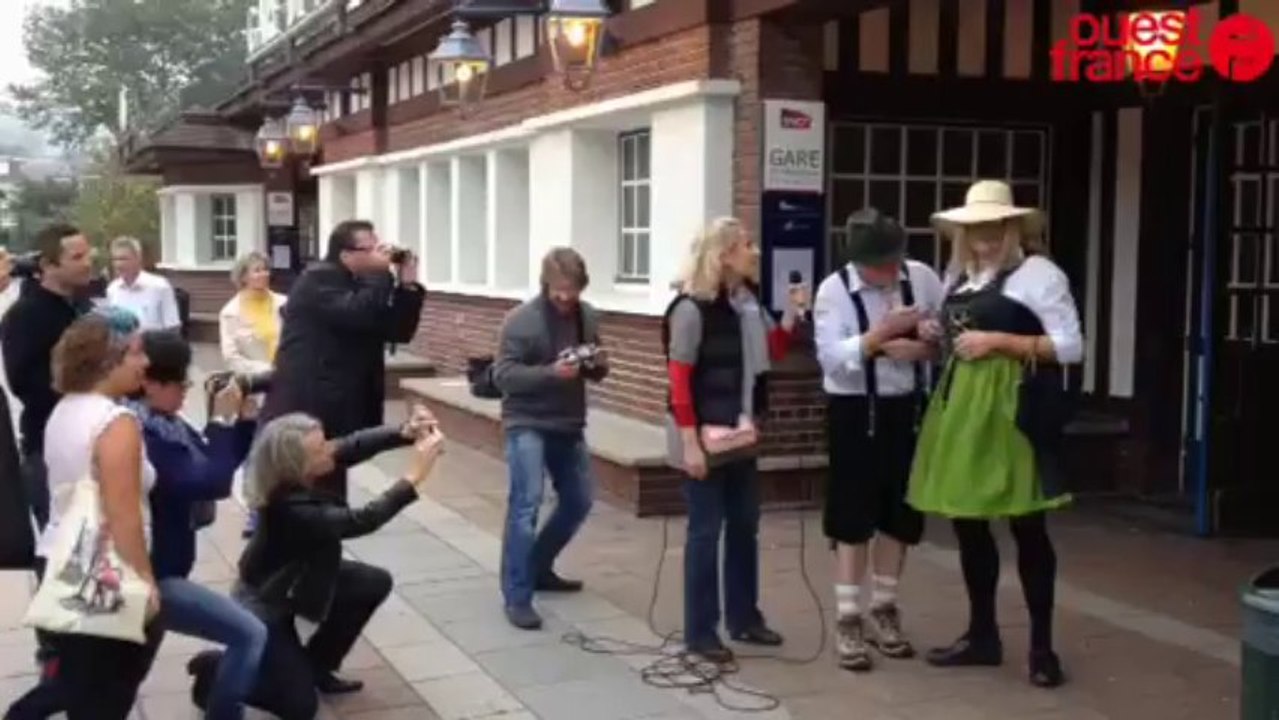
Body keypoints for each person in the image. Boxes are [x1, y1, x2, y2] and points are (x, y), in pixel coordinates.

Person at [908, 180, 1083, 688]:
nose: (981, 239)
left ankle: (1042, 647)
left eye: (990, 229)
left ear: (1010, 227)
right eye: (972, 230)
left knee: (1027, 524)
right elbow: (957, 337)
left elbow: (1071, 347)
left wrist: (999, 340)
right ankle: (982, 634)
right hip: (962, 404)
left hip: (1013, 405)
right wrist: (935, 335)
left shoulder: (1038, 273)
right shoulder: (959, 274)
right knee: (968, 521)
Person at [186, 410, 444, 719]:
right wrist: (413, 477)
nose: (330, 448)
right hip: (266, 601)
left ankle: (317, 667)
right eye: (320, 448)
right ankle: (216, 671)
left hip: (300, 580)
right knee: (300, 708)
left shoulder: (298, 471)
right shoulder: (288, 506)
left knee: (371, 582)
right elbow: (362, 520)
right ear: (297, 463)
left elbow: (352, 445)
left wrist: (405, 431)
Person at [661, 217, 806, 662]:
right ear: (723, 255)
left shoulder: (746, 303)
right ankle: (700, 632)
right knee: (705, 533)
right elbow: (679, 380)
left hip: (741, 432)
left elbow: (775, 350)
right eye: (746, 244)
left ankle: (744, 618)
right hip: (703, 435)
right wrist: (689, 443)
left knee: (745, 525)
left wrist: (793, 315)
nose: (755, 250)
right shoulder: (690, 309)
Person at [7, 307, 163, 720]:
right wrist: (143, 580)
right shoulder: (116, 422)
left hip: (62, 556)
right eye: (136, 352)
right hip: (102, 570)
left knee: (80, 681)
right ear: (108, 359)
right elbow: (123, 513)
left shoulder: (65, 409)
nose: (145, 363)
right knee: (106, 693)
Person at [813, 208, 945, 673]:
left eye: (896, 260)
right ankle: (848, 616)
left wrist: (928, 342)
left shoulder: (923, 278)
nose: (892, 272)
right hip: (853, 411)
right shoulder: (833, 292)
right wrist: (879, 336)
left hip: (906, 408)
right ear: (858, 261)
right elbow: (832, 360)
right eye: (882, 265)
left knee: (900, 512)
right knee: (851, 515)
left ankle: (884, 608)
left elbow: (945, 335)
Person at [126, 330, 265, 720]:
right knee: (249, 633)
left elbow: (212, 461)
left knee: (114, 679)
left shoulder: (165, 422)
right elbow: (208, 481)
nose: (186, 389)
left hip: (165, 569)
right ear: (149, 384)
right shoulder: (137, 433)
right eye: (178, 382)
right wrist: (221, 418)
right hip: (152, 575)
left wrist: (242, 424)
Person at [256, 220, 426, 508]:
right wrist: (379, 275)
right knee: (304, 491)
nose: (378, 256)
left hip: (339, 404)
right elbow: (357, 313)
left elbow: (397, 331)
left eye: (379, 248)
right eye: (369, 249)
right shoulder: (318, 279)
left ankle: (324, 549)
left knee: (330, 489)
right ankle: (296, 547)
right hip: (308, 408)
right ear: (345, 254)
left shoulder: (364, 284)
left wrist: (407, 286)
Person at [0, 224, 95, 717]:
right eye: (76, 255)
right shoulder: (27, 314)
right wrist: (79, 390)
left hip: (85, 438)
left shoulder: (79, 304)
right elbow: (23, 382)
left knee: (86, 541)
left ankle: (84, 629)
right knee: (56, 546)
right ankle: (54, 644)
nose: (87, 260)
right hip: (48, 447)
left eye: (87, 252)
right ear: (49, 265)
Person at [492, 247, 609, 631]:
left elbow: (599, 370)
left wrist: (594, 364)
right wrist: (550, 373)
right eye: (559, 289)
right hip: (526, 420)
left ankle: (539, 565)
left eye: (573, 289)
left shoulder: (587, 316)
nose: (566, 297)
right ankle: (517, 594)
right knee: (526, 505)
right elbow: (503, 376)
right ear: (546, 284)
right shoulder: (520, 320)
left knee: (578, 501)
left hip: (568, 421)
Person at [219, 251, 287, 376]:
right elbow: (231, 358)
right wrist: (269, 370)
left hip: (290, 379)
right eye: (257, 270)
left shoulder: (284, 303)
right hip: (257, 385)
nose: (264, 274)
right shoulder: (230, 313)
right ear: (243, 276)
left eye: (266, 269)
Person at [106, 236, 182, 332]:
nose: (118, 264)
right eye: (115, 259)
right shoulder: (112, 289)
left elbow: (172, 327)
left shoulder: (159, 286)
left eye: (123, 259)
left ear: (138, 258)